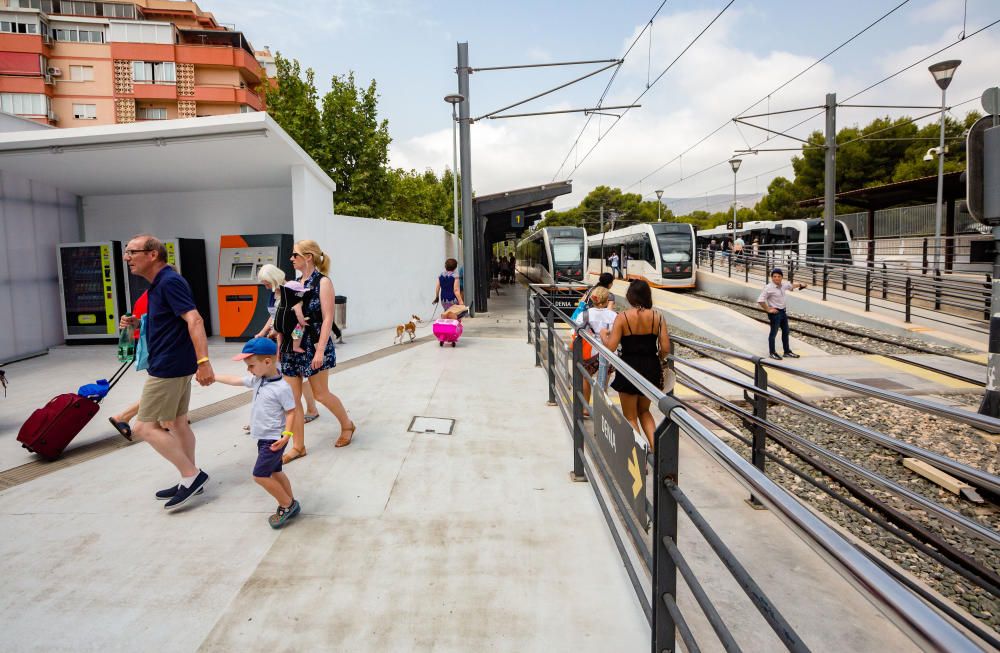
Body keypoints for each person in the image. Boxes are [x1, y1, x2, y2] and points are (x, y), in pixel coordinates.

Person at [120, 234, 213, 509]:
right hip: (175, 362)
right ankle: (189, 478)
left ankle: (191, 475)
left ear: (152, 255)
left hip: (168, 366)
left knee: (144, 427)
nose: (127, 257)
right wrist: (137, 321)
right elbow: (169, 317)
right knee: (177, 423)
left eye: (132, 252)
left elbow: (194, 319)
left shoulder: (169, 282)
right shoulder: (161, 283)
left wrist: (204, 361)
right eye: (126, 252)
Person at [280, 239, 356, 463]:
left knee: (321, 394)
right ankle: (298, 446)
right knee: (292, 399)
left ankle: (347, 425)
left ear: (308, 257)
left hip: (314, 344)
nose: (291, 259)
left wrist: (320, 350)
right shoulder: (294, 282)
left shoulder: (323, 282)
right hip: (294, 343)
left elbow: (327, 319)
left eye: (295, 255)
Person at [214, 338, 301, 529]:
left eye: (251, 365)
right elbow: (236, 380)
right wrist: (213, 376)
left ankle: (286, 505)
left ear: (268, 362)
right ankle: (291, 502)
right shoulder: (258, 380)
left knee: (260, 475)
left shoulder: (281, 388)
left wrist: (287, 435)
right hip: (264, 438)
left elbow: (291, 412)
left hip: (274, 439)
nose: (248, 370)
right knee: (275, 471)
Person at [603, 280, 671, 451]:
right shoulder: (658, 317)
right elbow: (666, 349)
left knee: (630, 415)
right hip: (651, 367)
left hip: (628, 367)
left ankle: (639, 456)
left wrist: (604, 336)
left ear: (630, 296)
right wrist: (659, 359)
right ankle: (656, 450)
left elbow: (611, 347)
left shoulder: (623, 317)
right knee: (644, 411)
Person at [254, 264, 321, 423]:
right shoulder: (274, 293)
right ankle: (273, 416)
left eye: (266, 282)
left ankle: (308, 409)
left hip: (290, 337)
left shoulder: (289, 290)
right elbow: (273, 316)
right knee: (290, 380)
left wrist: (276, 333)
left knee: (296, 379)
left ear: (273, 278)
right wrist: (264, 332)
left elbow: (293, 316)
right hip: (279, 337)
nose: (265, 286)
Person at [108, 289, 148, 440]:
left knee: (174, 384)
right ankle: (123, 416)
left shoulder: (149, 293)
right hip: (150, 344)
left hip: (143, 341)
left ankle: (172, 419)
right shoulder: (161, 292)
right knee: (164, 386)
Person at [575, 286, 617, 409]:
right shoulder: (614, 315)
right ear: (607, 301)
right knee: (603, 382)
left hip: (590, 353)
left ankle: (585, 408)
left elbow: (575, 331)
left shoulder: (585, 314)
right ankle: (602, 410)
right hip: (608, 353)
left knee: (586, 378)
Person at [758, 268, 807, 361]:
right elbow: (760, 300)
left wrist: (801, 284)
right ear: (771, 277)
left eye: (779, 276)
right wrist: (768, 309)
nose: (777, 278)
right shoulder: (768, 288)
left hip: (783, 312)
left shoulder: (783, 285)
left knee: (786, 332)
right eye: (774, 276)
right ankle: (772, 353)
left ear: (781, 277)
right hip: (775, 314)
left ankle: (787, 351)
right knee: (773, 333)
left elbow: (791, 286)